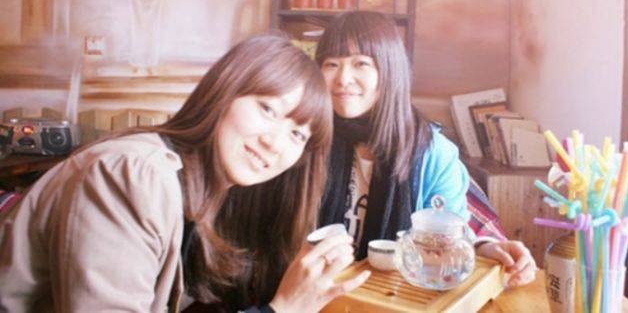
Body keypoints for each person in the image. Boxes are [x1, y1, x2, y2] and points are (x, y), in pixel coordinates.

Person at [0, 35, 368, 312]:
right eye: (268, 110)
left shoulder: (210, 190)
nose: (275, 143)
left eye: (298, 134)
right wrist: (283, 309)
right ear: (225, 91)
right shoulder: (134, 175)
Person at [315, 11, 537, 288]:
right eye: (331, 64)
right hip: (317, 293)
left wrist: (488, 248)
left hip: (397, 296)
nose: (343, 78)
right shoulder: (309, 139)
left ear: (389, 70)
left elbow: (448, 235)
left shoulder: (433, 153)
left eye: (361, 63)